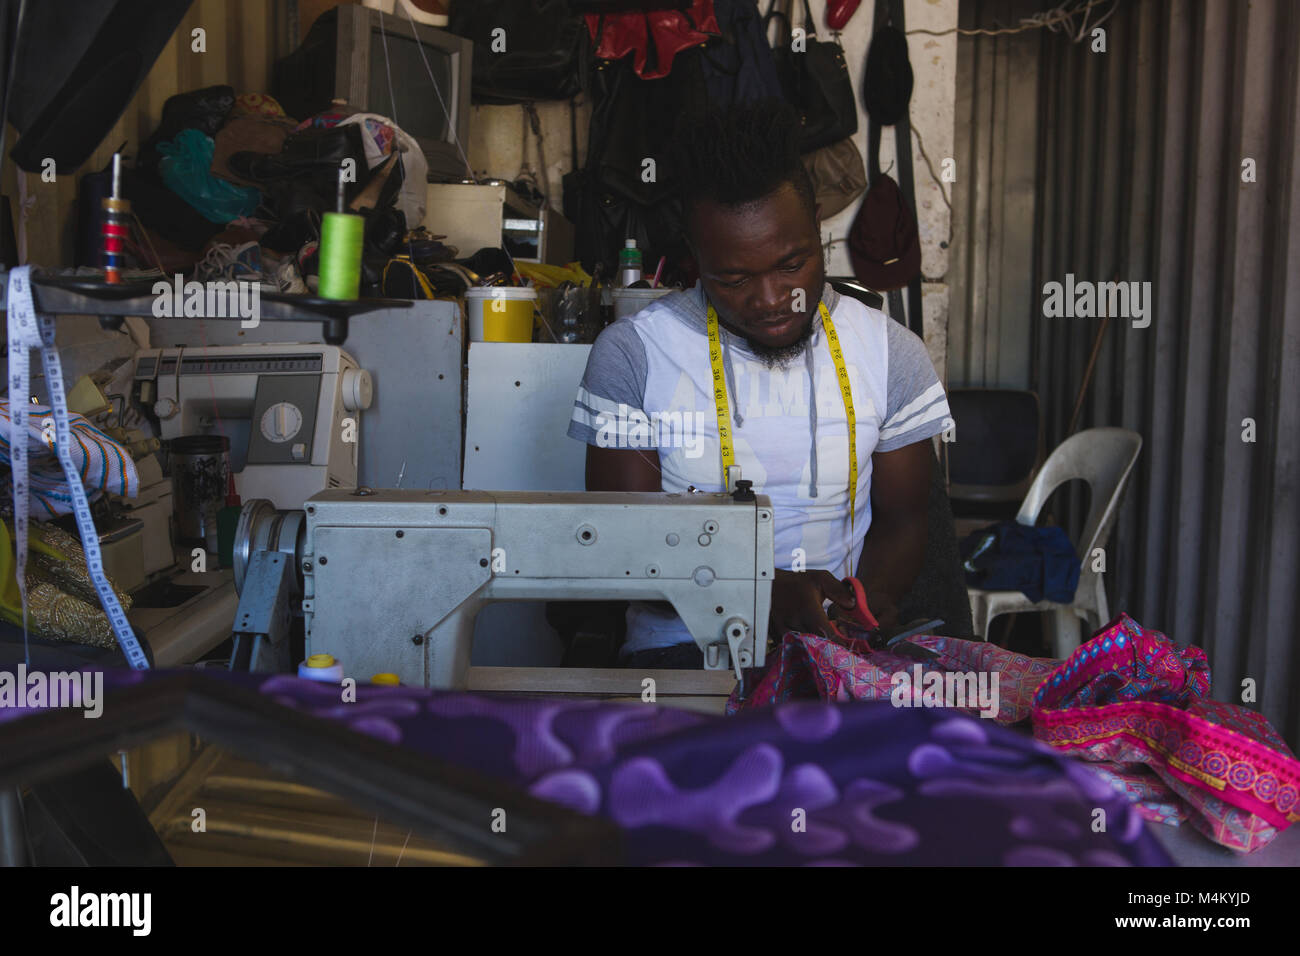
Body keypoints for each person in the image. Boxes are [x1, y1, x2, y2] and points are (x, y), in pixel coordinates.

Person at [566, 100, 951, 669]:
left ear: (817, 228)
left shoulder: (892, 353)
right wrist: (757, 594)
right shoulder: (631, 356)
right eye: (734, 277)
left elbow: (903, 523)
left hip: (835, 651)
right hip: (679, 659)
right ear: (694, 258)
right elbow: (625, 552)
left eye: (791, 264)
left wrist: (858, 609)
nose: (771, 300)